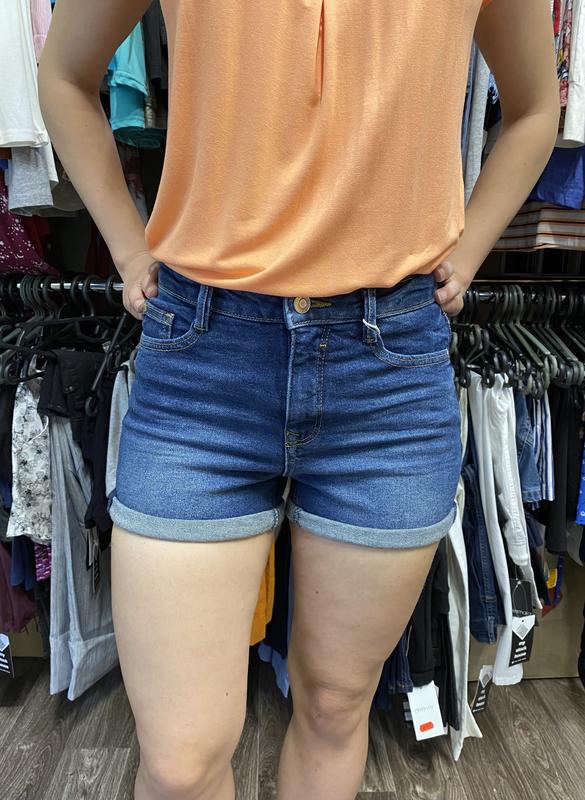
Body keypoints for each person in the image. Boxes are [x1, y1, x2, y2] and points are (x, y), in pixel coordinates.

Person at [38, 1, 559, 798]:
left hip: (385, 372)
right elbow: (65, 76)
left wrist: (470, 248)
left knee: (335, 706)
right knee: (177, 764)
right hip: (203, 365)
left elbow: (532, 107)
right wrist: (127, 247)